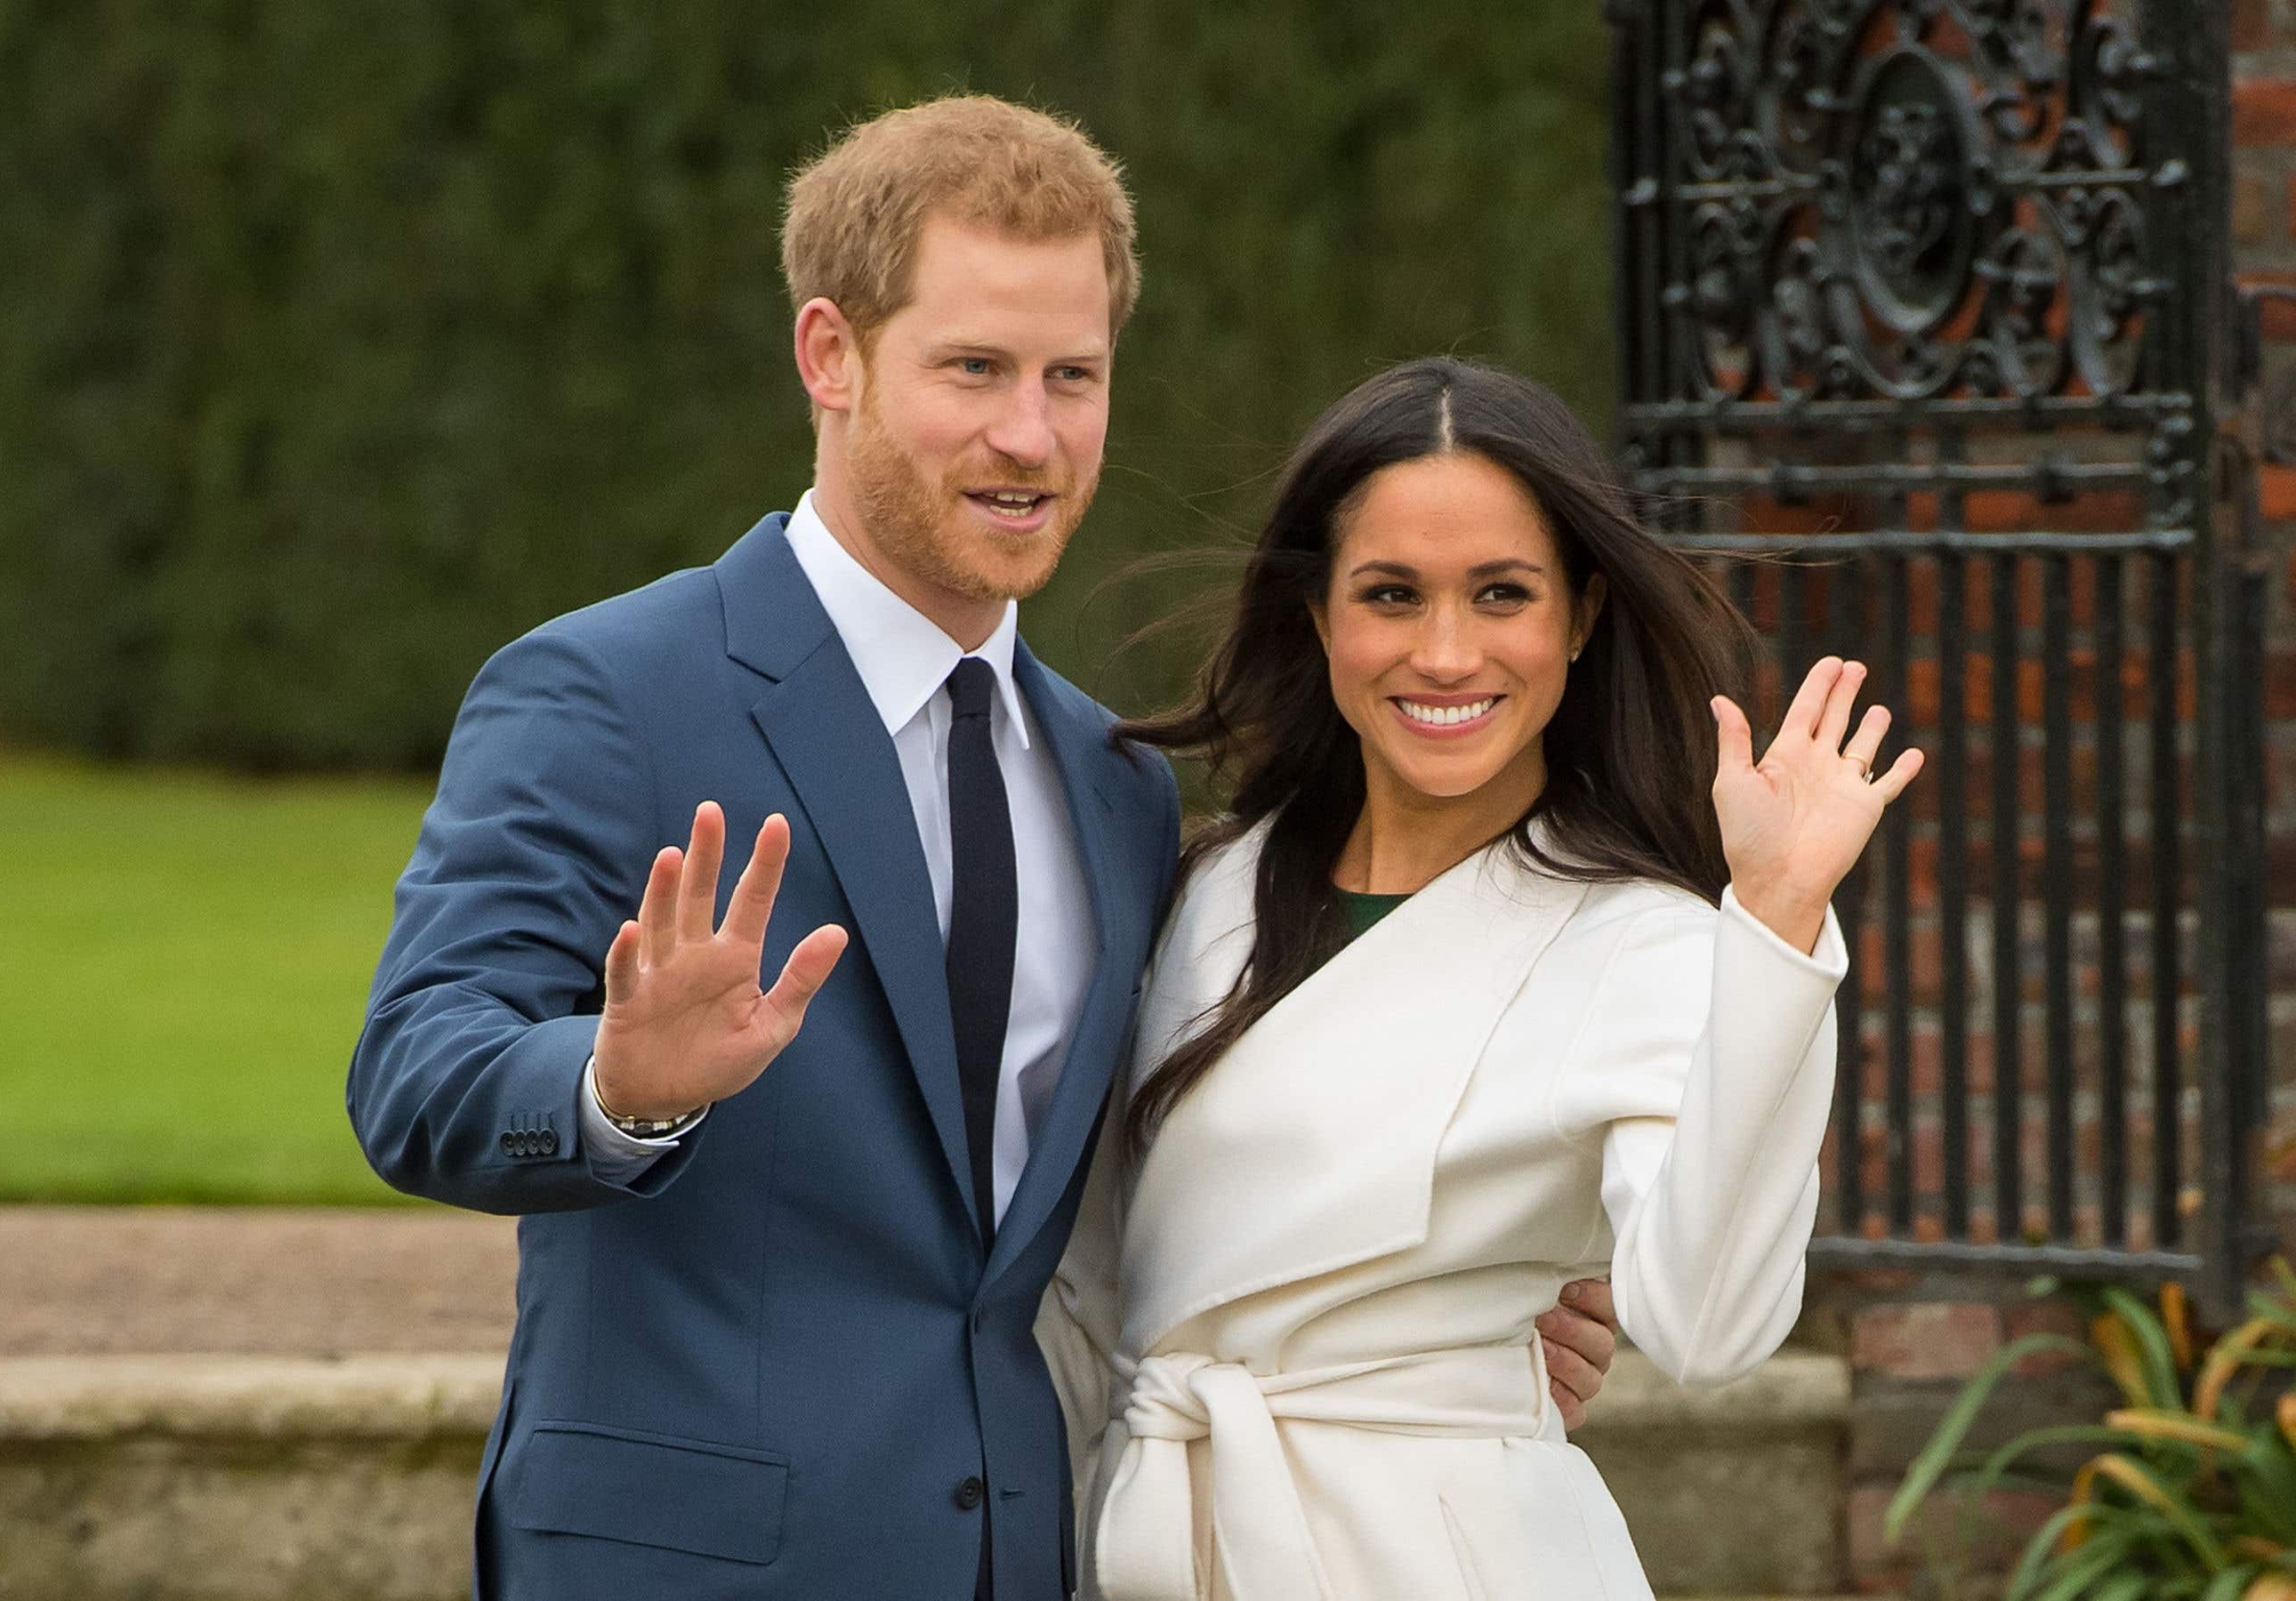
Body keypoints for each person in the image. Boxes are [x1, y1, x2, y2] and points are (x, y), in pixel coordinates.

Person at [347, 103, 1615, 1599]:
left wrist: (1414, 1307)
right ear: (831, 355)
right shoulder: (606, 693)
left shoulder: (1115, 783)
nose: (1033, 436)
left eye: (1073, 376)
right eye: (975, 370)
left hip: (1027, 1553)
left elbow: (1137, 1199)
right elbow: (414, 1073)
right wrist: (616, 1088)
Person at [1038, 357, 1924, 1600]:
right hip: (1141, 1535)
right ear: (1318, 615)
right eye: (1391, 594)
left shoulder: (1641, 942)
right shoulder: (1198, 889)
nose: (1445, 654)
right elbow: (1084, 1273)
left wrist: (1773, 923)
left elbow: (1710, 1326)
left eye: (1501, 593)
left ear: (1581, 615)